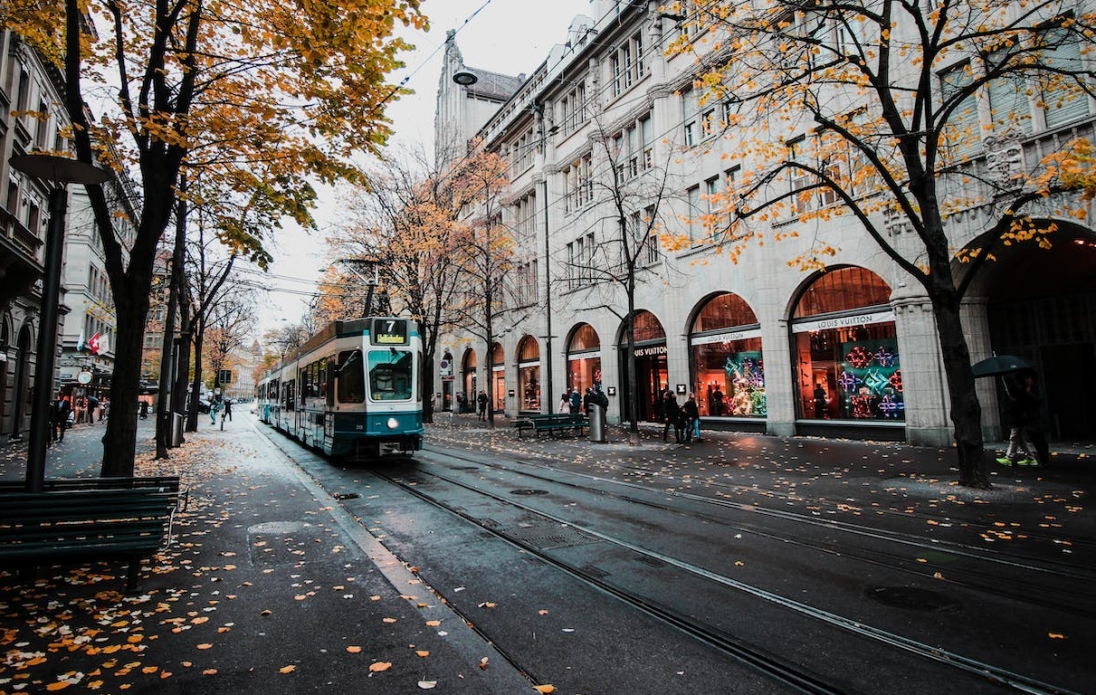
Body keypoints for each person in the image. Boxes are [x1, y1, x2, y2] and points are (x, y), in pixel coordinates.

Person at [997, 377, 1035, 467]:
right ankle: (1030, 458)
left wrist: (1012, 400)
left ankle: (1009, 457)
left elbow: (1018, 406)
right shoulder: (1021, 392)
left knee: (1014, 438)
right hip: (1017, 419)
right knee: (1020, 440)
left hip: (1017, 419)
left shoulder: (1019, 393)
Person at [1019, 372, 1051, 467]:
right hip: (1030, 419)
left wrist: (1030, 393)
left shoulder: (1036, 388)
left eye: (1029, 378)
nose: (1028, 380)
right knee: (1035, 440)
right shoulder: (1024, 390)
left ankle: (1045, 459)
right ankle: (1042, 459)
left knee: (1041, 440)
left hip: (1037, 418)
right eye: (1026, 379)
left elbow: (1039, 400)